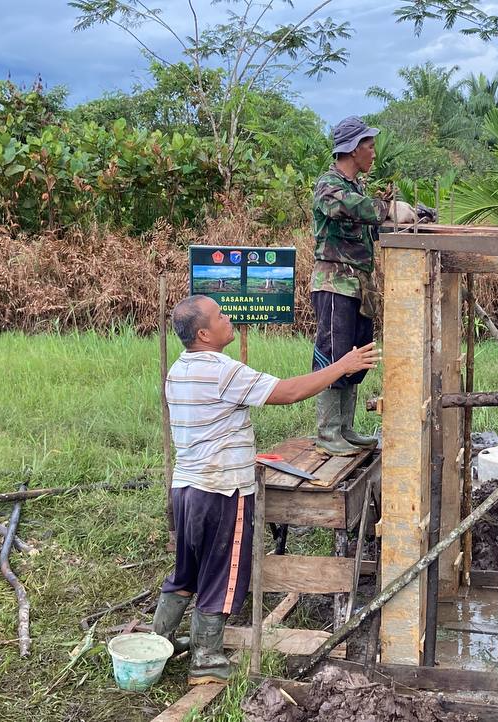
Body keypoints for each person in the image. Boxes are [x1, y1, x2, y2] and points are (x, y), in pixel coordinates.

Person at [150, 294, 380, 684]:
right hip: (222, 490)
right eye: (220, 315)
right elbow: (288, 393)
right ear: (204, 333)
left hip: (185, 489)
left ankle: (159, 642)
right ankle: (205, 659)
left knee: (186, 571)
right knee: (222, 574)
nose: (228, 319)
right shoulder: (222, 370)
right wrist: (342, 365)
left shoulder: (178, 370)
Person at [308, 116, 399, 456]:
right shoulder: (329, 185)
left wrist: (403, 217)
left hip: (359, 286)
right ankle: (328, 430)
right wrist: (388, 208)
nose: (374, 153)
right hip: (335, 284)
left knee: (356, 355)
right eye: (370, 146)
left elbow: (366, 223)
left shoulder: (357, 188)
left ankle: (345, 427)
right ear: (352, 149)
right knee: (334, 354)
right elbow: (345, 207)